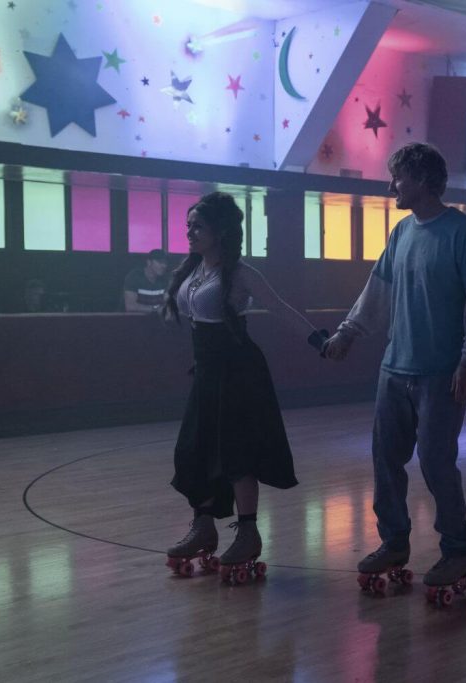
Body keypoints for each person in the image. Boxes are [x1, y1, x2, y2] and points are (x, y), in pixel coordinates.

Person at [322, 142, 466, 591]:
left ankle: (458, 550)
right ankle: (394, 541)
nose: (391, 185)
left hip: (441, 373)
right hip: (394, 368)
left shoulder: (464, 233)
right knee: (386, 460)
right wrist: (347, 333)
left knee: (437, 463)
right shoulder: (401, 233)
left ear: (421, 179)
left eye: (396, 177)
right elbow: (376, 290)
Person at [162, 192, 326, 580]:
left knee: (236, 454)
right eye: (188, 225)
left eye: (197, 226)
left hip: (238, 372)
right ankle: (203, 526)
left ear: (219, 231)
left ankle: (248, 533)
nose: (189, 232)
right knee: (193, 450)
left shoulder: (241, 273)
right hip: (206, 374)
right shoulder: (194, 270)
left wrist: (320, 341)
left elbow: (281, 309)